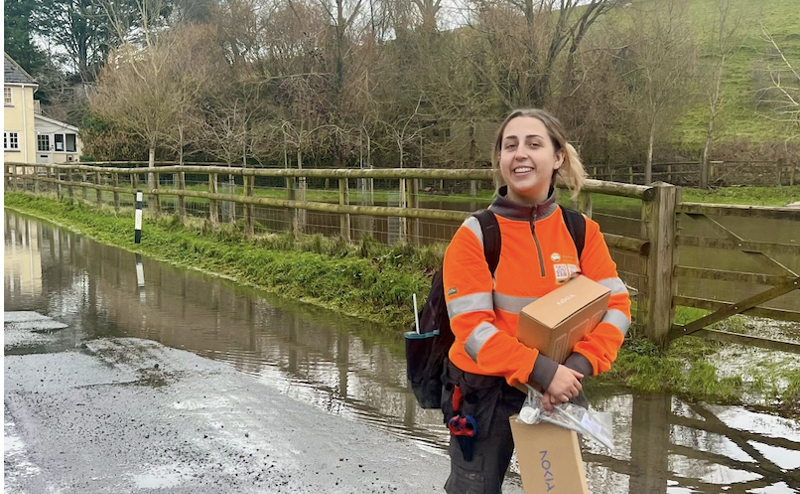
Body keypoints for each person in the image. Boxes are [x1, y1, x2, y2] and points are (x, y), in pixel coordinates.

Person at [441, 108, 632, 493]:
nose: (520, 154)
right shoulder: (475, 236)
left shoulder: (581, 232)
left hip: (559, 389)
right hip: (485, 394)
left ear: (558, 156)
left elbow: (618, 309)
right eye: (510, 145)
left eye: (534, 143)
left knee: (558, 489)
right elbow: (473, 332)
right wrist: (543, 372)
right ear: (500, 159)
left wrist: (573, 370)